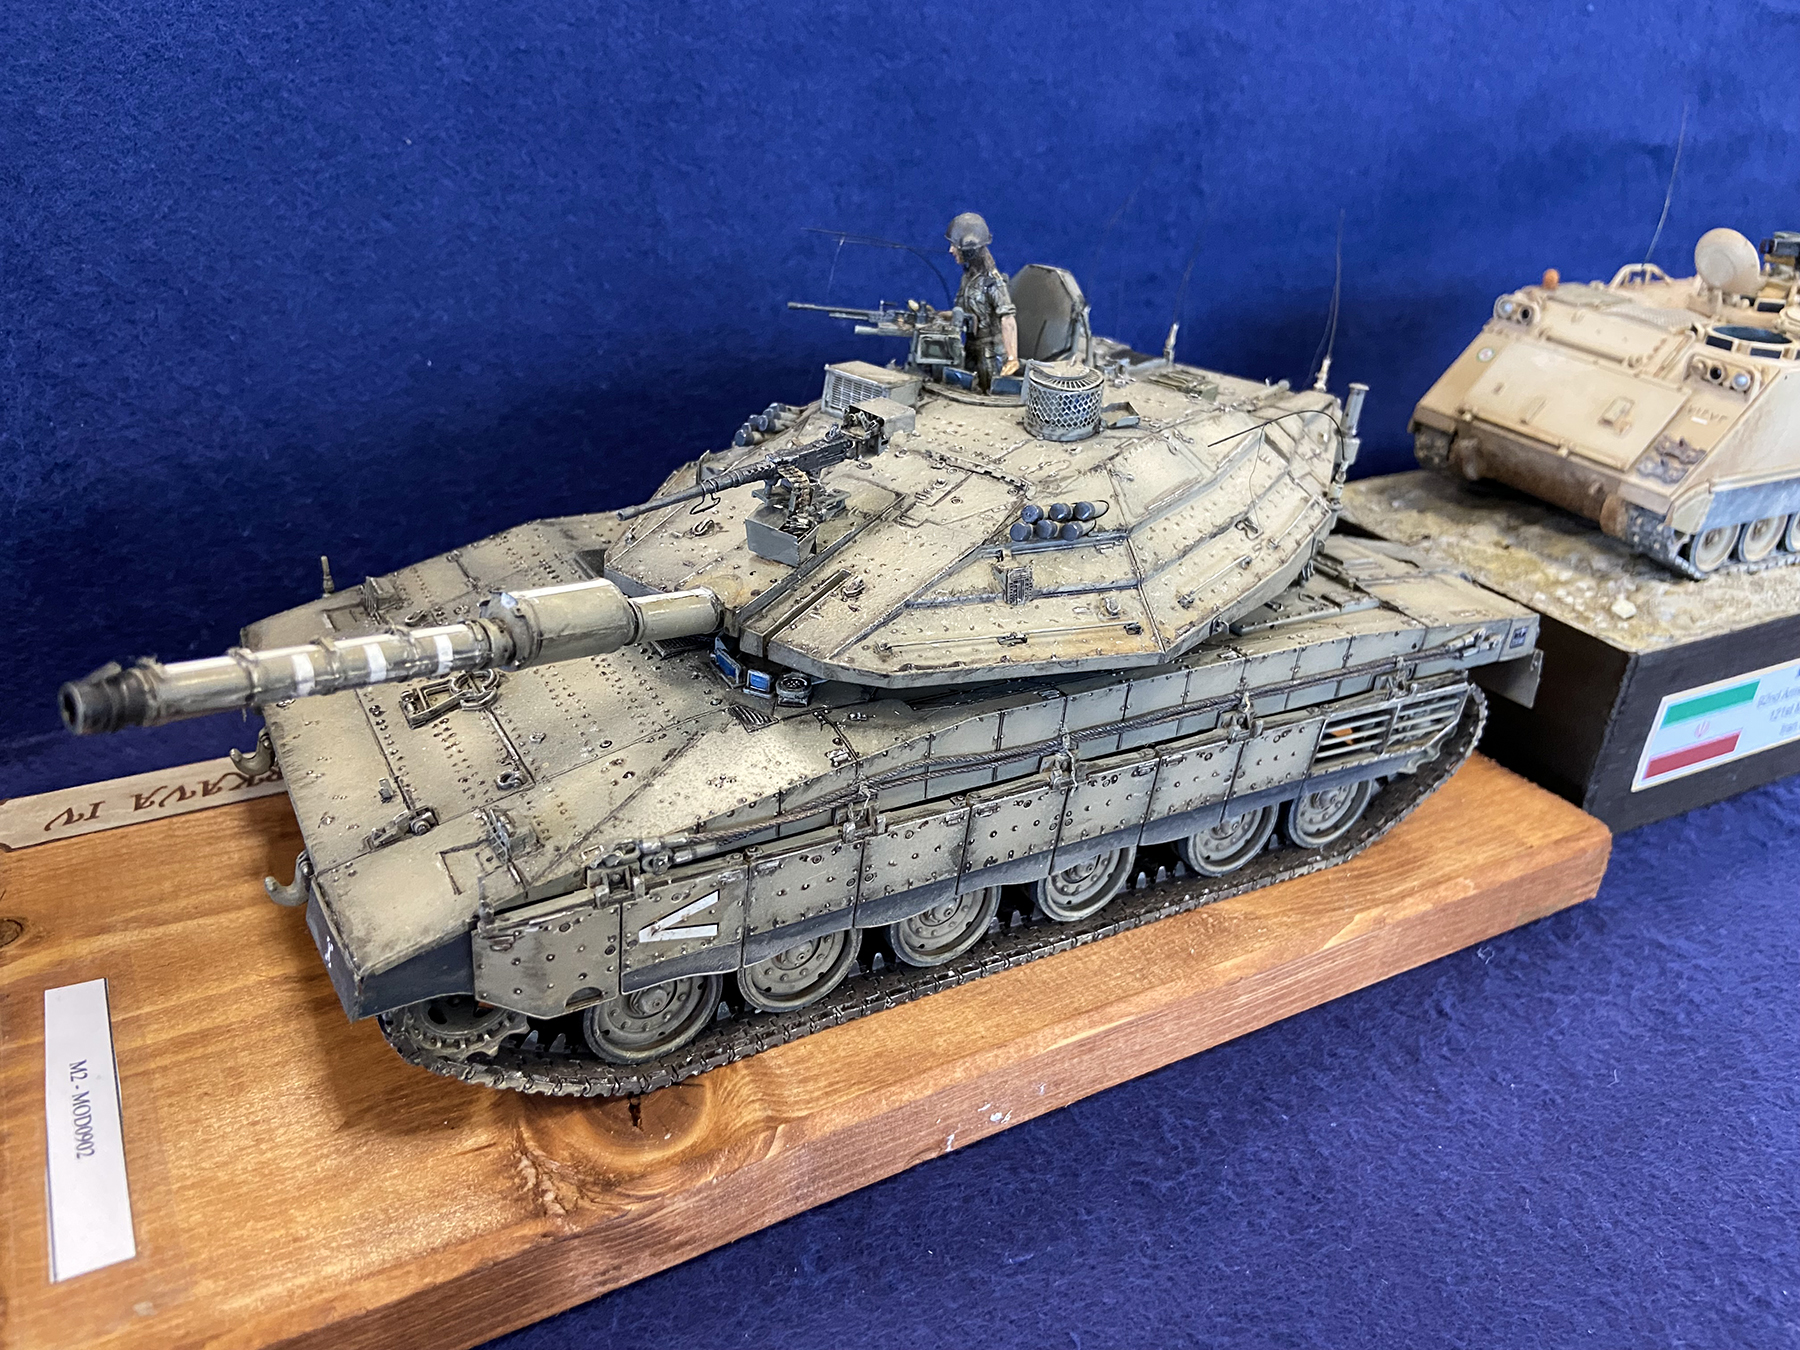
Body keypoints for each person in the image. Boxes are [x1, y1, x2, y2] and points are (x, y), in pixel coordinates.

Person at [946, 213, 1020, 391]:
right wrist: (938, 316)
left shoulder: (992, 281)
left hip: (990, 355)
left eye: (954, 246)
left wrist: (1012, 358)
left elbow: (1007, 319)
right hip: (969, 348)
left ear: (969, 249)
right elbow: (964, 313)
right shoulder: (967, 278)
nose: (950, 250)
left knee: (989, 393)